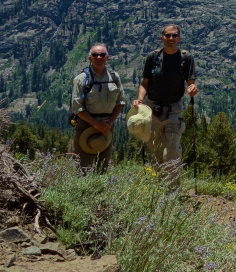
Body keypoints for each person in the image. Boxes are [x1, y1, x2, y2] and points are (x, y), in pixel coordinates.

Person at [132, 24, 198, 186]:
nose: (171, 39)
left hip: (174, 110)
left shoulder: (185, 58)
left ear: (179, 38)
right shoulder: (153, 58)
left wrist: (192, 88)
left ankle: (172, 190)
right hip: (152, 109)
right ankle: (160, 186)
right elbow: (145, 83)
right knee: (156, 151)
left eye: (174, 36)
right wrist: (139, 99)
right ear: (162, 38)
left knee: (172, 150)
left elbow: (191, 82)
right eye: (167, 36)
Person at [70, 43, 126, 172]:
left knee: (103, 165)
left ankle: (101, 190)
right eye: (95, 55)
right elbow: (77, 107)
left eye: (102, 54)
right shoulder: (81, 79)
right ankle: (83, 190)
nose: (99, 57)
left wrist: (110, 122)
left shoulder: (114, 77)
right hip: (86, 124)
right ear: (90, 58)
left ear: (107, 57)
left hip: (107, 124)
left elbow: (120, 102)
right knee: (83, 165)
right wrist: (96, 124)